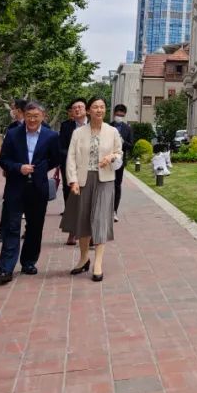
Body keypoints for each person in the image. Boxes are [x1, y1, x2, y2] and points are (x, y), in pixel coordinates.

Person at [0, 100, 60, 283]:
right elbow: (3, 160)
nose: (32, 120)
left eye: (36, 116)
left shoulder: (51, 136)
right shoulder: (13, 134)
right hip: (16, 186)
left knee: (35, 227)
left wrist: (41, 168)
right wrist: (18, 167)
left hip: (38, 188)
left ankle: (29, 262)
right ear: (23, 116)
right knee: (12, 226)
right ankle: (6, 268)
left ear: (43, 116)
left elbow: (55, 158)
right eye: (29, 116)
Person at [61, 97, 122, 282]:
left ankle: (98, 263)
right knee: (83, 220)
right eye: (95, 107)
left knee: (100, 220)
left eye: (102, 107)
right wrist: (72, 180)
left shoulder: (112, 131)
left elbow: (119, 153)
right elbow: (71, 157)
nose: (99, 110)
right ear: (88, 110)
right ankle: (83, 258)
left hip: (105, 181)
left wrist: (111, 157)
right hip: (83, 180)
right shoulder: (78, 133)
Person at [0, 98, 28, 243]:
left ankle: (29, 229)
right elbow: (5, 152)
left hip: (33, 172)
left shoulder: (42, 127)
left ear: (19, 110)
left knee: (31, 202)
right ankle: (4, 231)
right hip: (14, 171)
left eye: (13, 108)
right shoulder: (12, 128)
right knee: (8, 202)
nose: (12, 111)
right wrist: (8, 167)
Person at [57, 98, 87, 245]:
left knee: (88, 199)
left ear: (87, 109)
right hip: (71, 167)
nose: (77, 109)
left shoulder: (94, 124)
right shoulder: (66, 126)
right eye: (74, 108)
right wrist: (72, 157)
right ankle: (72, 231)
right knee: (71, 198)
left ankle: (88, 233)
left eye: (80, 107)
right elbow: (61, 147)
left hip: (89, 168)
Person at [109, 104, 133, 222]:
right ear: (114, 113)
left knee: (117, 185)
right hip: (108, 160)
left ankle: (114, 211)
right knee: (106, 184)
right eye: (118, 114)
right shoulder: (108, 126)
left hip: (120, 161)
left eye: (121, 115)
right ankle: (105, 209)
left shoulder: (127, 128)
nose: (119, 116)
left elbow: (130, 145)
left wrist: (123, 141)